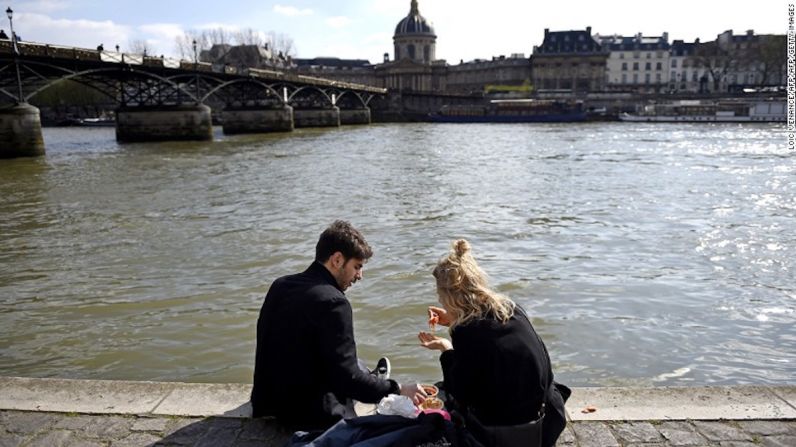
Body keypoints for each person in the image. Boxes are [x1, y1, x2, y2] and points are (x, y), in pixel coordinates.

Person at [252, 220, 426, 430]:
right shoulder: (335, 302)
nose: (359, 276)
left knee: (349, 360)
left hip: (269, 401)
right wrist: (398, 388)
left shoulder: (281, 284)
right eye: (357, 267)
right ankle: (378, 381)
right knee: (354, 371)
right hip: (307, 416)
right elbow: (348, 381)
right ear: (336, 259)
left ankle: (371, 377)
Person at [418, 239, 569, 447]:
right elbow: (492, 342)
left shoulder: (466, 332)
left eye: (440, 296)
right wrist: (453, 319)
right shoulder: (511, 309)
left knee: (444, 392)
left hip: (508, 431)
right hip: (547, 418)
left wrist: (446, 348)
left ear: (449, 296)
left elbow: (461, 392)